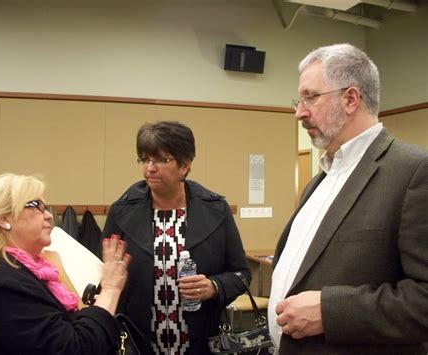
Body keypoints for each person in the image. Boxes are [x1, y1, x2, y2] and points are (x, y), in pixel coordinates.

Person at [268, 43, 428, 354]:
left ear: (350, 99)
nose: (299, 112)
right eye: (299, 100)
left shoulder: (413, 172)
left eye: (310, 97)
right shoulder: (319, 181)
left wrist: (330, 312)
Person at [102, 120, 251, 354]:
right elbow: (104, 275)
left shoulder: (216, 209)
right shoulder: (122, 211)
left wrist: (214, 286)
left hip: (200, 340)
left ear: (185, 165)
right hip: (137, 341)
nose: (150, 168)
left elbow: (241, 273)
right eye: (145, 159)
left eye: (162, 159)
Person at [0, 173, 131, 354]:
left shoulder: (24, 271)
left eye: (46, 207)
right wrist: (110, 289)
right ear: (4, 219)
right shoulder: (1, 281)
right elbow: (73, 349)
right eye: (36, 206)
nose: (48, 216)